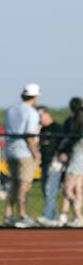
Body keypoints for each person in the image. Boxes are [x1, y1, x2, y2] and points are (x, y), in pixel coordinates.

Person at [3, 83, 40, 228]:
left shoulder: (10, 109)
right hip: (24, 152)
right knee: (24, 184)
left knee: (14, 184)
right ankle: (22, 215)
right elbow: (30, 136)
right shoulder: (31, 112)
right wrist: (36, 154)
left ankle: (8, 214)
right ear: (35, 97)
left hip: (10, 149)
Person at [36, 105, 64, 226]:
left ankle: (48, 215)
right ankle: (52, 216)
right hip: (45, 162)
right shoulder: (40, 129)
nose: (39, 118)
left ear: (47, 114)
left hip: (55, 163)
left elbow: (62, 145)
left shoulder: (57, 128)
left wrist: (58, 159)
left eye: (40, 115)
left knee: (49, 189)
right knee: (44, 188)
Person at [57, 97, 83, 227]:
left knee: (67, 189)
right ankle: (74, 216)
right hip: (79, 159)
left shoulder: (74, 123)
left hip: (76, 159)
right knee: (78, 190)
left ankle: (78, 216)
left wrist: (62, 151)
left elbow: (68, 141)